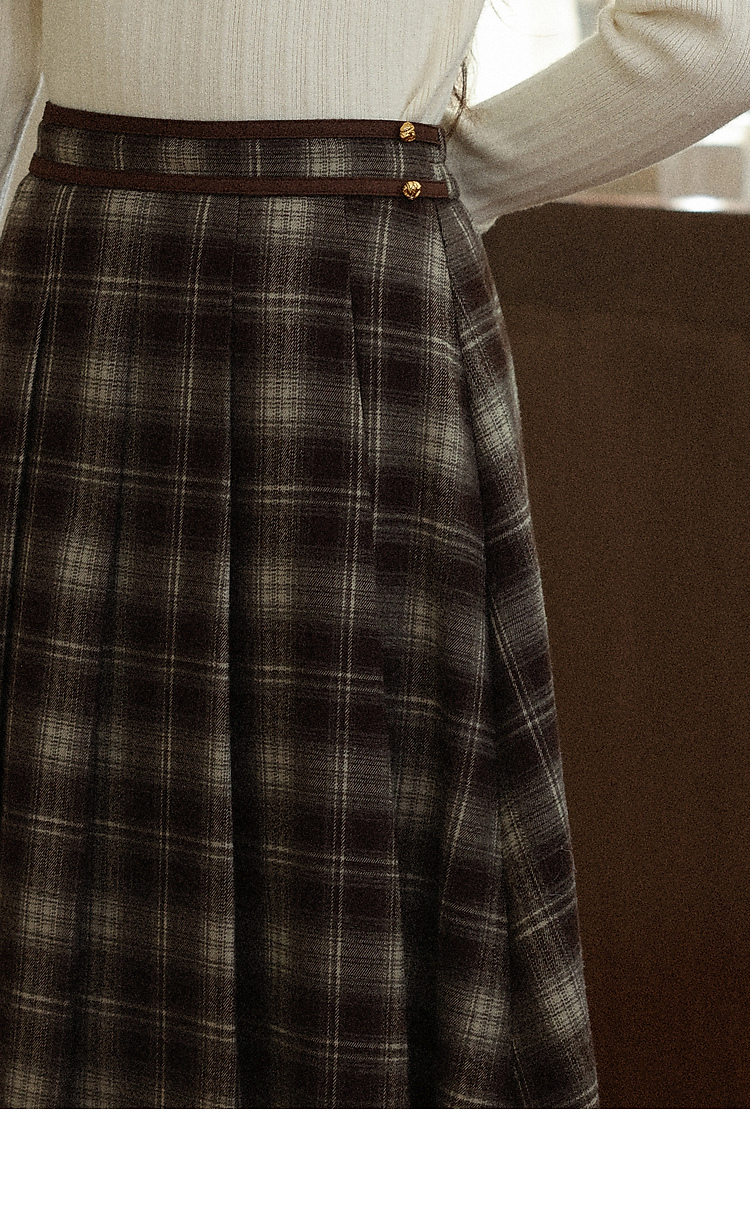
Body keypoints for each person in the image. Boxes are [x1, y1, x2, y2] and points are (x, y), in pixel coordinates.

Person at [0, 0, 747, 1111]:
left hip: (167, 278)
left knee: (152, 833)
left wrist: (448, 177)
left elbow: (719, 35)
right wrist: (413, 177)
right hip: (226, 266)